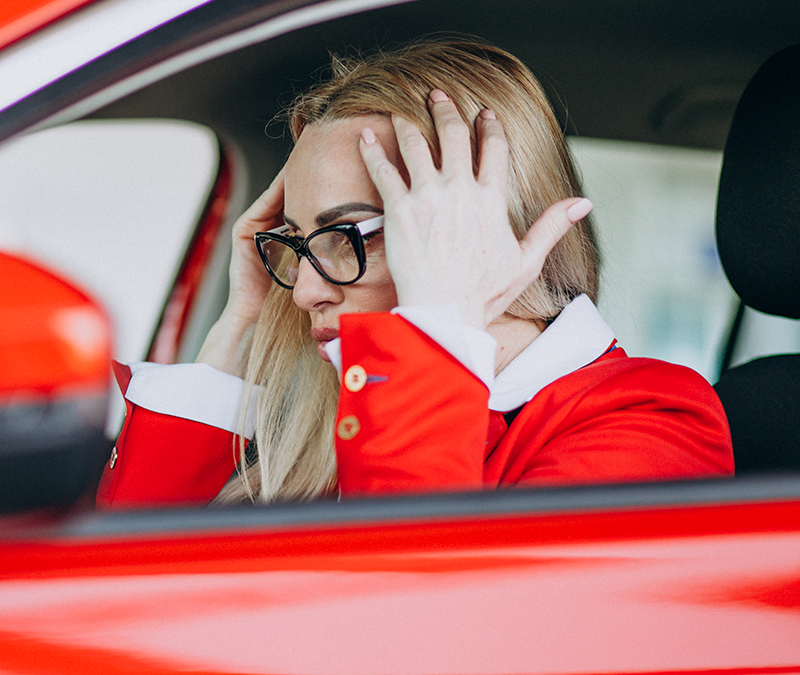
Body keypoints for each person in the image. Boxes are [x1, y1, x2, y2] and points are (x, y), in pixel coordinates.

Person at [97, 39, 733, 508]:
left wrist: (436, 327)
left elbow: (406, 626)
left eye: (352, 237)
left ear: (482, 234)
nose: (309, 290)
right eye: (295, 244)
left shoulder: (651, 421)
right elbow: (125, 605)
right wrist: (237, 330)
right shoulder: (337, 412)